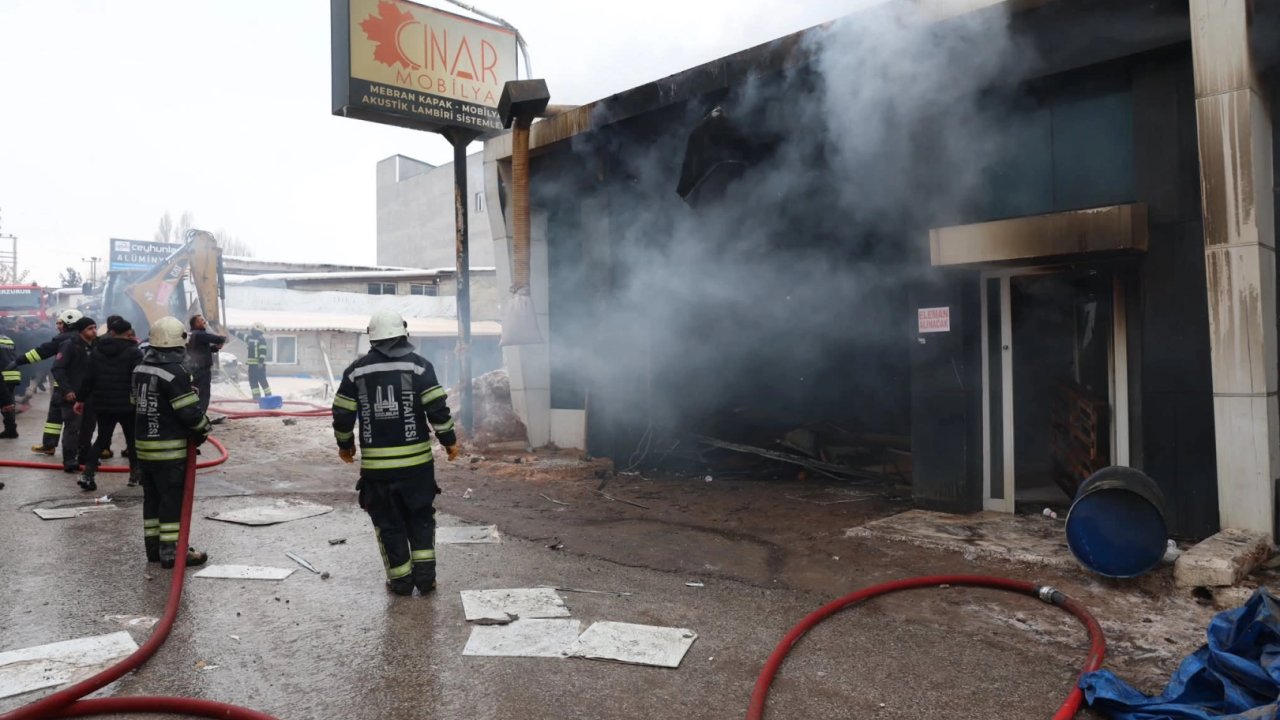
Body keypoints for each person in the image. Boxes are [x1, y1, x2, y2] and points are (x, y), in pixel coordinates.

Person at [332, 310, 460, 596]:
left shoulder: (356, 371)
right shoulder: (419, 367)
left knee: (388, 523)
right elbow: (437, 409)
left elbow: (342, 413)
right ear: (404, 333)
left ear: (372, 337)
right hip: (417, 469)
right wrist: (449, 440)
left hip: (377, 472)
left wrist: (345, 444)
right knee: (421, 519)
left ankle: (401, 583)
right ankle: (426, 581)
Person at [133, 316, 210, 569]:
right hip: (169, 451)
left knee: (152, 500)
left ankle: (154, 550)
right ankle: (172, 553)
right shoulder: (175, 372)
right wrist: (204, 428)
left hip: (144, 449)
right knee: (171, 502)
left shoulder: (140, 369)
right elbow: (189, 414)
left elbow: (137, 403)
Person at [77, 318, 143, 492]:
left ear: (111, 332)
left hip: (103, 403)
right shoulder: (134, 352)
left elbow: (88, 378)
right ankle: (135, 475)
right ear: (129, 333)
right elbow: (139, 378)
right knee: (132, 440)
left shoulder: (97, 351)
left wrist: (80, 399)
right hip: (128, 404)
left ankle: (87, 474)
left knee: (102, 439)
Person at [11, 309, 82, 454]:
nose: (58, 326)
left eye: (60, 323)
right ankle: (61, 446)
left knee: (61, 418)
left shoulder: (63, 339)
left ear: (69, 323)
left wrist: (19, 361)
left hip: (67, 387)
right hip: (75, 386)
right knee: (61, 418)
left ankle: (55, 447)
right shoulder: (85, 339)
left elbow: (40, 352)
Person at [50, 316, 97, 474]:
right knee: (72, 428)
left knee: (88, 428)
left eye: (95, 327)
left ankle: (84, 456)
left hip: (91, 395)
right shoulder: (69, 345)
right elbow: (58, 368)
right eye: (90, 328)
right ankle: (69, 460)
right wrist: (67, 390)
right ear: (81, 331)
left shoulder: (95, 346)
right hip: (73, 395)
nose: (94, 331)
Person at [185, 315, 226, 415]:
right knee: (203, 393)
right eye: (202, 320)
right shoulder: (200, 334)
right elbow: (218, 339)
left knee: (195, 391)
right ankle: (201, 414)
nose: (204, 321)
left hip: (193, 368)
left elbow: (201, 350)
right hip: (202, 369)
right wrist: (222, 337)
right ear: (196, 323)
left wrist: (215, 348)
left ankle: (194, 412)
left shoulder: (193, 334)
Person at [235, 322, 272, 400]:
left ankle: (269, 397)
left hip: (259, 366)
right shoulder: (250, 338)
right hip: (252, 366)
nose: (251, 330)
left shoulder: (261, 339)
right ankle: (256, 398)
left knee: (262, 381)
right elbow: (241, 336)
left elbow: (263, 351)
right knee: (253, 382)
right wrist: (232, 331)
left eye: (253, 329)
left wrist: (260, 362)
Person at [0, 324, 19, 438]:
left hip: (2, 374)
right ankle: (11, 430)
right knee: (8, 402)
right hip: (13, 374)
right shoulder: (8, 340)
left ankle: (11, 430)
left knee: (5, 403)